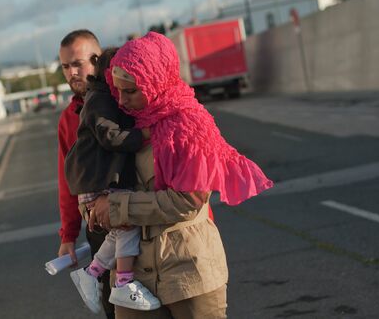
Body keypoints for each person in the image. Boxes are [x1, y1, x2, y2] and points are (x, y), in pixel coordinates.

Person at [88, 31, 274, 318]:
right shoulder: (122, 125)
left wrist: (116, 208)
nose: (121, 100)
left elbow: (186, 202)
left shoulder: (188, 125)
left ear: (155, 81)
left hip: (188, 273)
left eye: (131, 91)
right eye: (117, 89)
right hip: (132, 281)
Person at [65, 48, 160, 313]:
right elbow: (110, 136)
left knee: (119, 229)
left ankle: (91, 272)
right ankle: (122, 283)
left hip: (94, 176)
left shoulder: (103, 97)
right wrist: (143, 134)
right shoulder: (99, 100)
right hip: (94, 179)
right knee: (126, 223)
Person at [56, 29, 115, 318]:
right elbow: (68, 181)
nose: (72, 73)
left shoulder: (124, 98)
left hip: (144, 218)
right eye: (66, 66)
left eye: (77, 63)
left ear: (98, 59)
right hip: (99, 229)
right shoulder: (68, 119)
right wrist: (68, 234)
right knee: (116, 307)